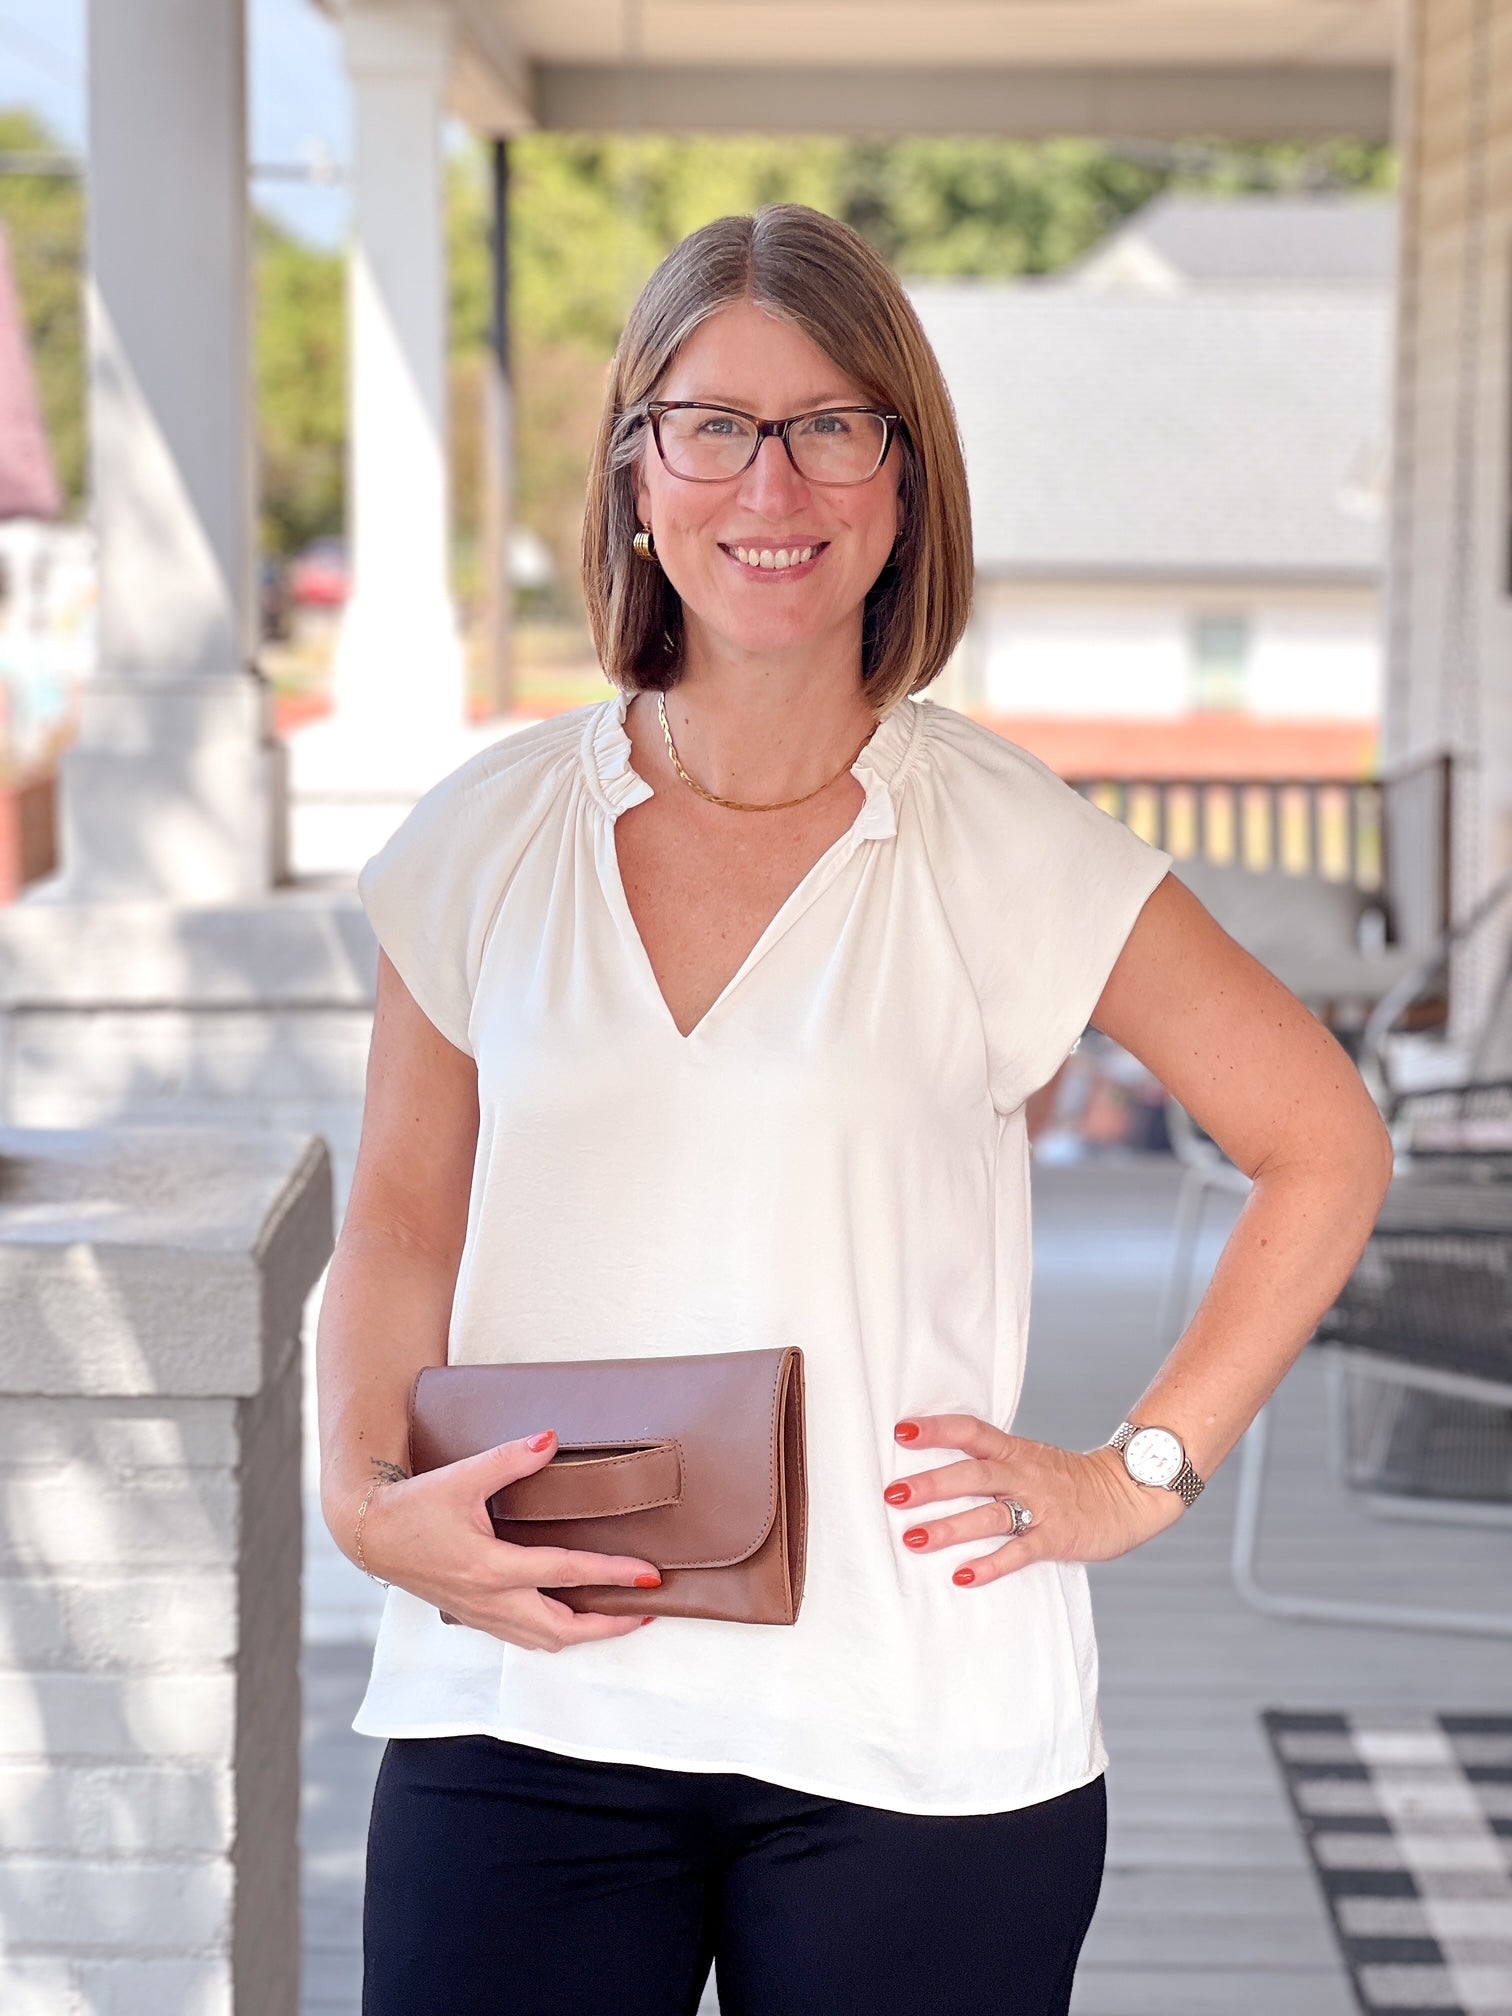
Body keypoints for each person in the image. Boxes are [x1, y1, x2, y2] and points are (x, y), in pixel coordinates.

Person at [318, 203, 1393, 2016]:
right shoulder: (484, 837)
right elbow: (403, 1218)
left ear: (903, 479)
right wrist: (361, 1500)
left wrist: (1137, 1477)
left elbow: (1326, 1141)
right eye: (716, 424)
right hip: (526, 1690)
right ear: (638, 471)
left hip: (917, 1729)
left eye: (835, 425)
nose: (774, 482)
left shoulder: (1005, 840)